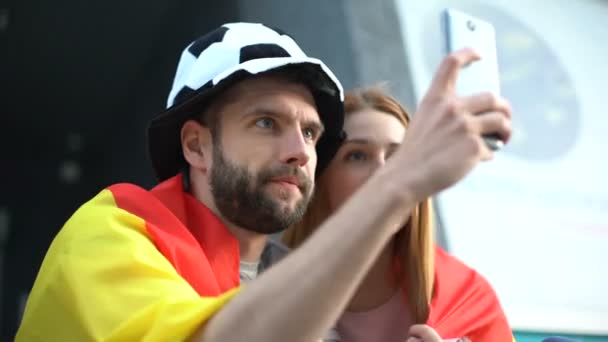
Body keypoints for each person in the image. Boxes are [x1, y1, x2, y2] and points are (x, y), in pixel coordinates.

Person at [16, 21, 512, 342]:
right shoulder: (115, 229)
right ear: (196, 146)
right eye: (266, 123)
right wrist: (401, 181)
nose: (301, 150)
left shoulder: (294, 282)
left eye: (312, 132)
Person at [283, 88, 514, 342]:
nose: (384, 173)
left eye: (399, 157)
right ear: (321, 178)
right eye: (357, 156)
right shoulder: (265, 292)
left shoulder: (468, 297)